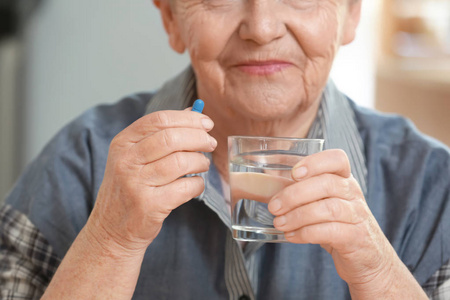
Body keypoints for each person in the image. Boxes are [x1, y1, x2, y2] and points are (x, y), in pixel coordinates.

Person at [1, 0, 449, 298]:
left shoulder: (433, 187)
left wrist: (377, 273)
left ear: (350, 14)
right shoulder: (77, 162)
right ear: (171, 19)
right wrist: (109, 243)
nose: (261, 28)